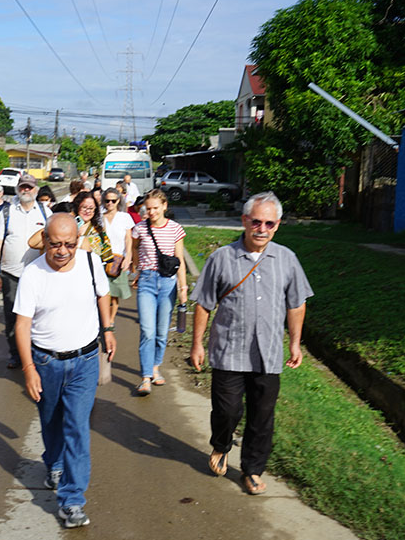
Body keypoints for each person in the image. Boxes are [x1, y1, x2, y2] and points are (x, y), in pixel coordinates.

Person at [189, 191, 313, 495]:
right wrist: (197, 343)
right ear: (245, 220)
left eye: (269, 224)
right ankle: (221, 444)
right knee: (227, 411)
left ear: (278, 225)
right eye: (256, 221)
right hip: (228, 351)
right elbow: (204, 303)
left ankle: (253, 469)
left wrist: (295, 343)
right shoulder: (221, 258)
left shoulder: (287, 259)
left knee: (262, 416)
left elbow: (296, 304)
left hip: (268, 353)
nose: (262, 229)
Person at [14, 213, 115, 528]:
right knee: (50, 422)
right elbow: (22, 324)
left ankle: (72, 501)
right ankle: (54, 461)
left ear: (77, 241)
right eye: (55, 244)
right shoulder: (33, 273)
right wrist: (29, 368)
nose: (62, 251)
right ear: (44, 240)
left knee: (77, 427)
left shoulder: (89, 262)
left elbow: (103, 293)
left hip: (85, 361)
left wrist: (108, 328)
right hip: (46, 363)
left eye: (69, 244)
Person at [0, 173, 53, 369]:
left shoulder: (44, 212)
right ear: (18, 189)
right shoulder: (7, 212)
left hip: (40, 275)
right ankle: (16, 354)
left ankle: (36, 353)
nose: (26, 190)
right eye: (23, 187)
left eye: (30, 187)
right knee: (12, 316)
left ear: (36, 189)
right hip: (11, 274)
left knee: (38, 316)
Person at [131, 189, 187, 395]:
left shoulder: (175, 229)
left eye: (156, 207)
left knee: (162, 332)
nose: (152, 212)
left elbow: (179, 260)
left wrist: (183, 287)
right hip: (146, 280)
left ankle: (156, 367)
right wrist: (137, 268)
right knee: (147, 330)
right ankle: (145, 377)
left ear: (164, 206)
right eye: (149, 208)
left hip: (168, 283)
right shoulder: (139, 228)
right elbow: (135, 248)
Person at [101, 187, 134, 324]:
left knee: (114, 293)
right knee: (103, 293)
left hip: (118, 259)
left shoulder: (124, 217)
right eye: (107, 200)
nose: (110, 203)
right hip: (101, 260)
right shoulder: (100, 217)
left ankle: (111, 320)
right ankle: (103, 319)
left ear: (118, 201)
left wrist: (128, 258)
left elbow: (128, 238)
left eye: (113, 201)